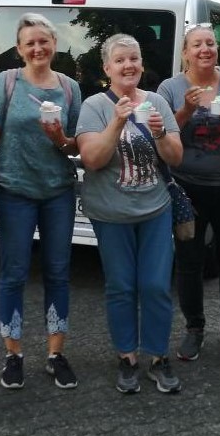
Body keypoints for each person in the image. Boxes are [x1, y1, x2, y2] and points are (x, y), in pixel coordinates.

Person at [0, 13, 82, 389]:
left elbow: (74, 146)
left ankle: (55, 354)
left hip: (57, 193)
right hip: (14, 192)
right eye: (30, 43)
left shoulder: (70, 88)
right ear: (20, 49)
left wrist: (60, 138)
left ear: (53, 44)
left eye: (43, 41)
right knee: (14, 274)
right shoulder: (5, 84)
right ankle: (13, 354)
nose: (38, 48)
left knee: (57, 272)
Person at [76, 33, 183, 394]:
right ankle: (127, 357)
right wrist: (117, 122)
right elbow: (91, 160)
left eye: (134, 59)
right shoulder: (94, 106)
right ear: (107, 68)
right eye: (120, 60)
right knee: (121, 287)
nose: (129, 66)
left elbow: (176, 157)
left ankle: (157, 356)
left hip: (155, 209)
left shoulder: (156, 102)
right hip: (110, 213)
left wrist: (161, 135)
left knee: (155, 286)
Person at [157, 23, 220, 364]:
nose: (205, 49)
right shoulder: (170, 87)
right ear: (185, 52)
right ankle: (194, 328)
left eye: (210, 44)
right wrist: (185, 109)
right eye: (197, 44)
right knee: (189, 261)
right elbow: (162, 133)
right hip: (188, 188)